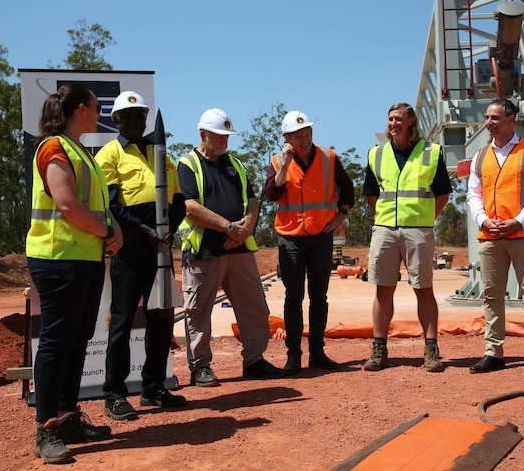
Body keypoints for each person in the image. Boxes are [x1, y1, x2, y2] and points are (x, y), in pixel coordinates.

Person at [26, 83, 123, 464]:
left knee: (78, 339)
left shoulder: (82, 151)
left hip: (84, 258)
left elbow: (95, 205)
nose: (99, 111)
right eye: (96, 105)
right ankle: (45, 429)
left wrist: (111, 230)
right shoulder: (53, 147)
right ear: (81, 108)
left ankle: (67, 418)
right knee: (56, 341)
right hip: (57, 258)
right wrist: (107, 232)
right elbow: (66, 202)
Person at [177, 108, 285, 386]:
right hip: (205, 251)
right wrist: (228, 227)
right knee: (198, 310)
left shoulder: (234, 164)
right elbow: (189, 206)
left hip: (238, 249)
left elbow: (252, 200)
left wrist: (245, 228)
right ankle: (200, 366)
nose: (225, 141)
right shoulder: (187, 164)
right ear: (203, 135)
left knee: (253, 305)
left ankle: (254, 359)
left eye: (227, 136)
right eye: (219, 136)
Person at [96, 91, 187, 421]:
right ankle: (114, 394)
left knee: (161, 319)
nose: (136, 121)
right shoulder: (109, 155)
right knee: (121, 322)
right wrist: (144, 231)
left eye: (140, 115)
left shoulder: (160, 152)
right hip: (129, 248)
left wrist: (170, 228)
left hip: (160, 248)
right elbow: (110, 206)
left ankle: (153, 388)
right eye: (128, 116)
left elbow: (176, 199)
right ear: (116, 120)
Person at [361, 102, 453, 372]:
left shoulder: (431, 152)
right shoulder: (376, 154)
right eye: (390, 119)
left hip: (418, 231)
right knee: (382, 290)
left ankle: (431, 349)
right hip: (385, 229)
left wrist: (424, 222)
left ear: (411, 122)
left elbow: (443, 195)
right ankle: (379, 349)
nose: (393, 124)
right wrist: (386, 219)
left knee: (424, 289)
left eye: (398, 119)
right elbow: (370, 195)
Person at [263, 110, 355, 375]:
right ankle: (294, 356)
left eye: (308, 134)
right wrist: (283, 164)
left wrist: (341, 215)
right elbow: (271, 193)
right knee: (293, 297)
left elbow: (347, 187)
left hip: (320, 238)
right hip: (290, 239)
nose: (305, 140)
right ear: (287, 138)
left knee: (319, 296)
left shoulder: (328, 157)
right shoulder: (277, 161)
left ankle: (317, 352)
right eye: (298, 136)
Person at [466, 98, 524, 377]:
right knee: (491, 295)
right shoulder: (480, 156)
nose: (488, 123)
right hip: (490, 234)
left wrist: (518, 221)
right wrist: (483, 220)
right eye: (487, 118)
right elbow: (473, 194)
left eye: (495, 118)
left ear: (511, 119)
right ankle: (493, 352)